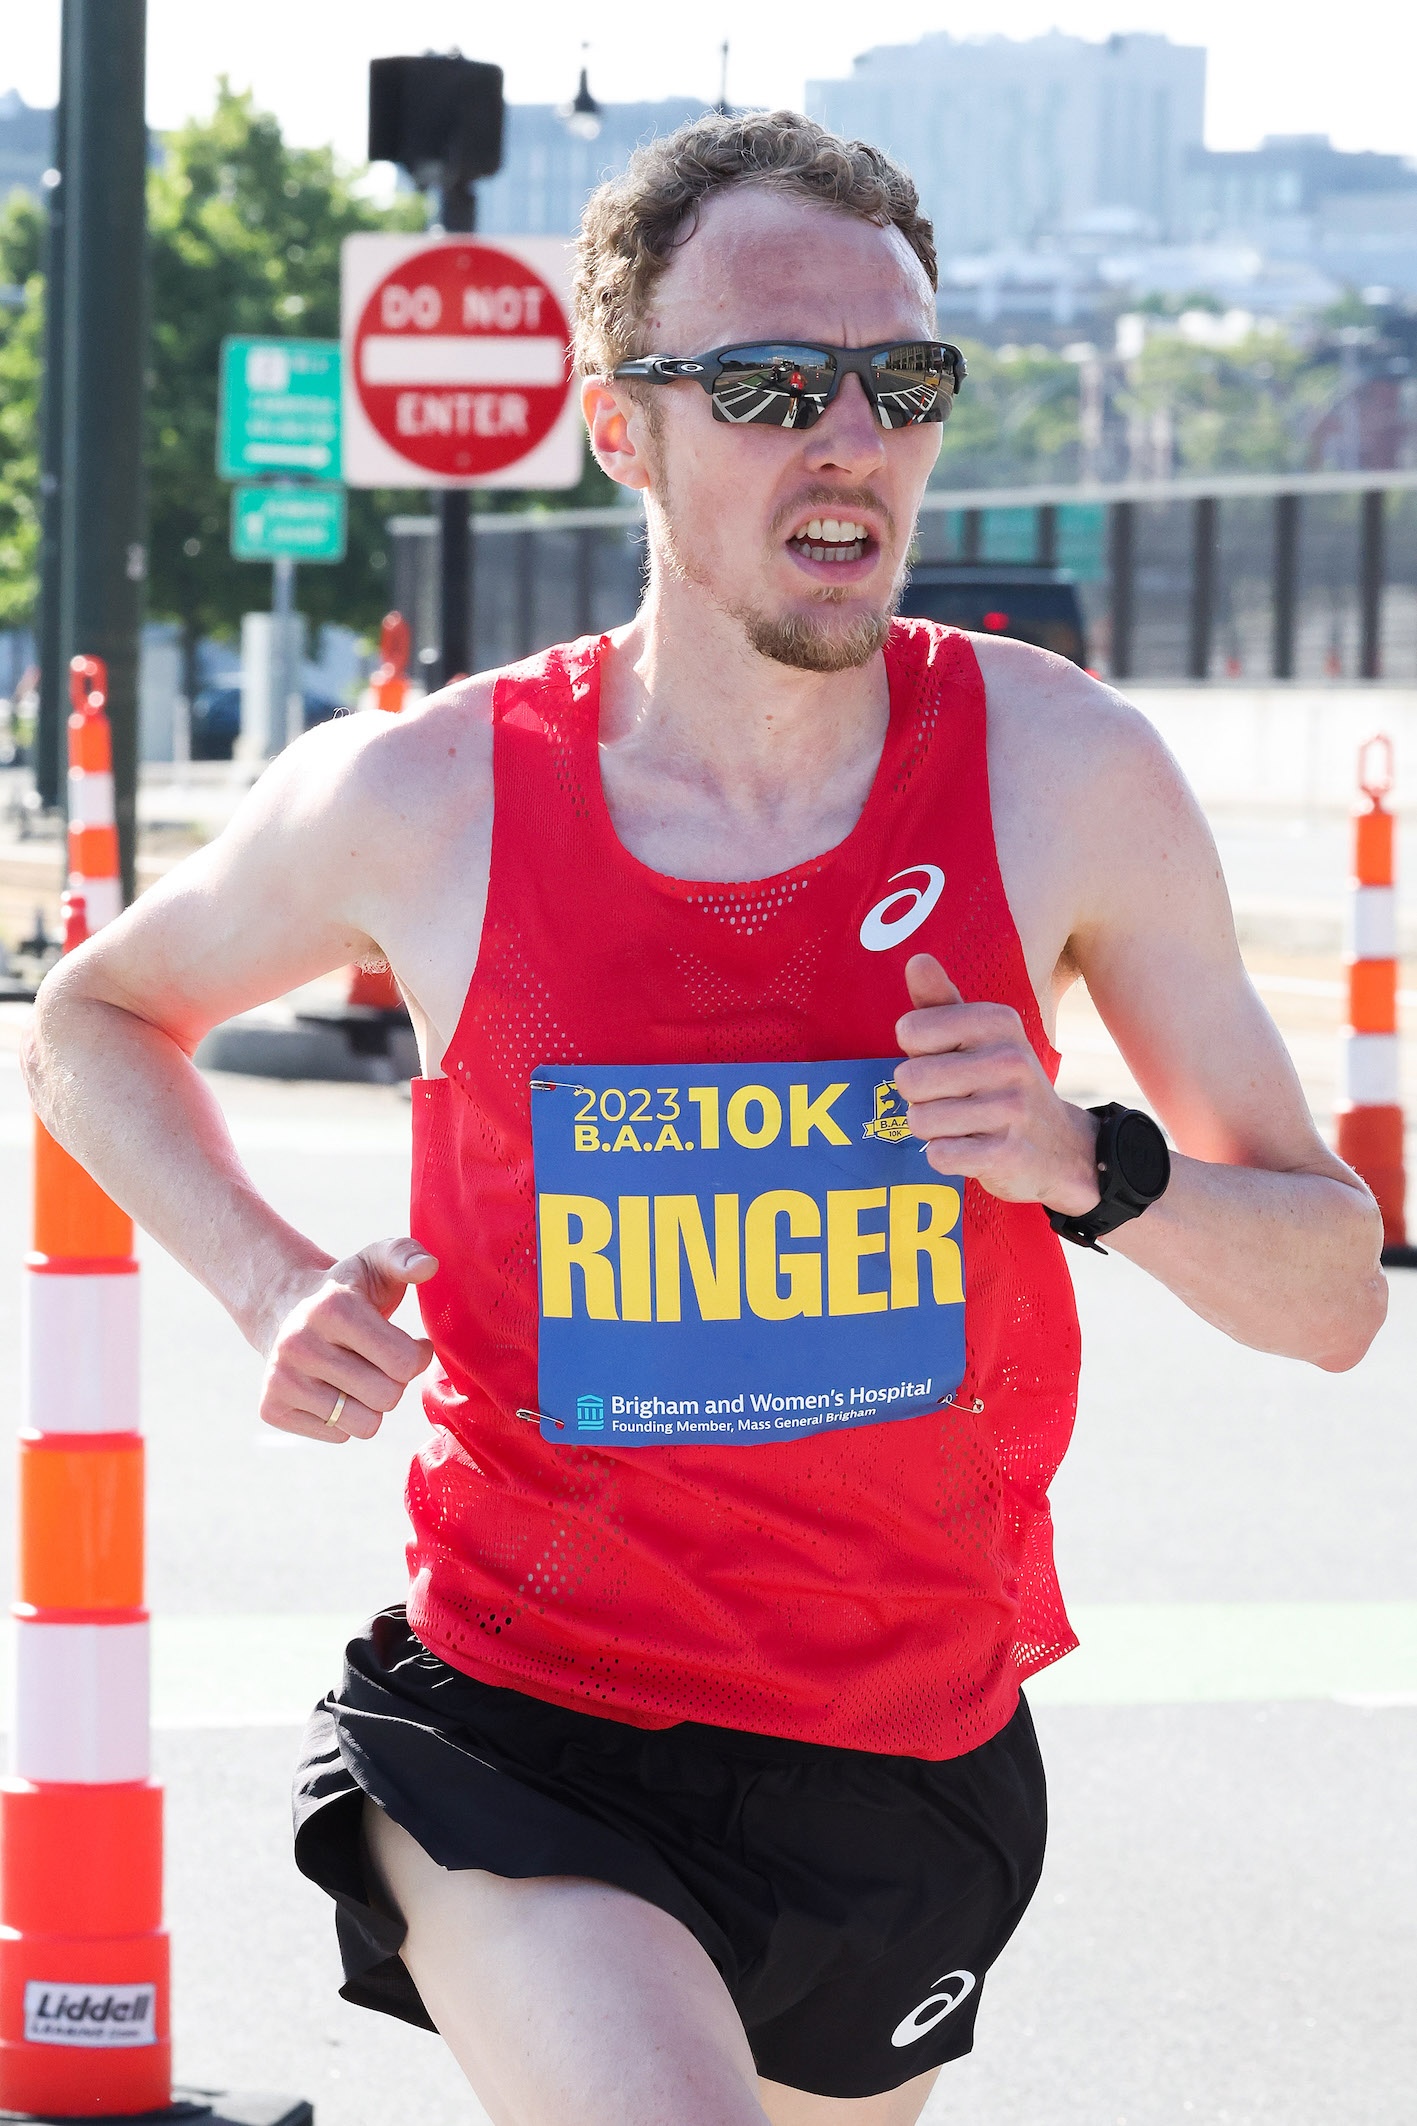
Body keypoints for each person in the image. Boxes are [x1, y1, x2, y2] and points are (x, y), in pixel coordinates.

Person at [24, 111, 1385, 2126]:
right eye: (764, 384)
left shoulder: (1059, 778)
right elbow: (95, 1013)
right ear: (620, 429)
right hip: (524, 1718)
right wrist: (266, 1277)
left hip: (907, 1758)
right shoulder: (429, 796)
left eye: (898, 381)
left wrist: (1085, 1160)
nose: (845, 435)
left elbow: (1334, 1290)